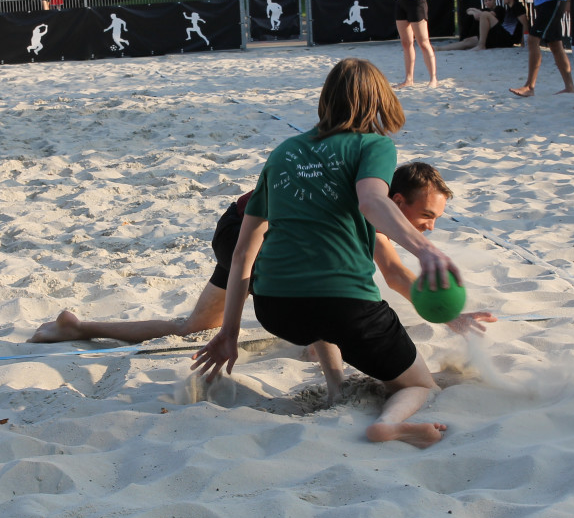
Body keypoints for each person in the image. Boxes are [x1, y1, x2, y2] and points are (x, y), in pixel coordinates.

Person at [192, 58, 465, 448]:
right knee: (420, 385)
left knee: (316, 301)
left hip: (276, 309)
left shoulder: (284, 152)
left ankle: (336, 387)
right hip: (347, 308)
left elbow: (242, 255)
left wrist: (229, 333)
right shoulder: (374, 145)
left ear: (325, 101)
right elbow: (372, 201)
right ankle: (388, 424)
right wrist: (426, 251)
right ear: (379, 101)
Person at [31, 161, 495, 348]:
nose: (431, 225)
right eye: (428, 215)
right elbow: (392, 272)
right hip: (247, 234)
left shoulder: (373, 204)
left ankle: (78, 326)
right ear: (398, 203)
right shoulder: (362, 205)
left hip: (241, 225)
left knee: (193, 327)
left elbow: (393, 273)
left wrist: (450, 316)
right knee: (323, 311)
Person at [437, 0, 528, 51]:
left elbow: (525, 24)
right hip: (499, 36)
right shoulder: (510, 7)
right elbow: (469, 11)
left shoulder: (515, 7)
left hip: (507, 38)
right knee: (468, 41)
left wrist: (524, 42)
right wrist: (473, 11)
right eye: (486, 1)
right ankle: (439, 49)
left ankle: (481, 45)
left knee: (485, 14)